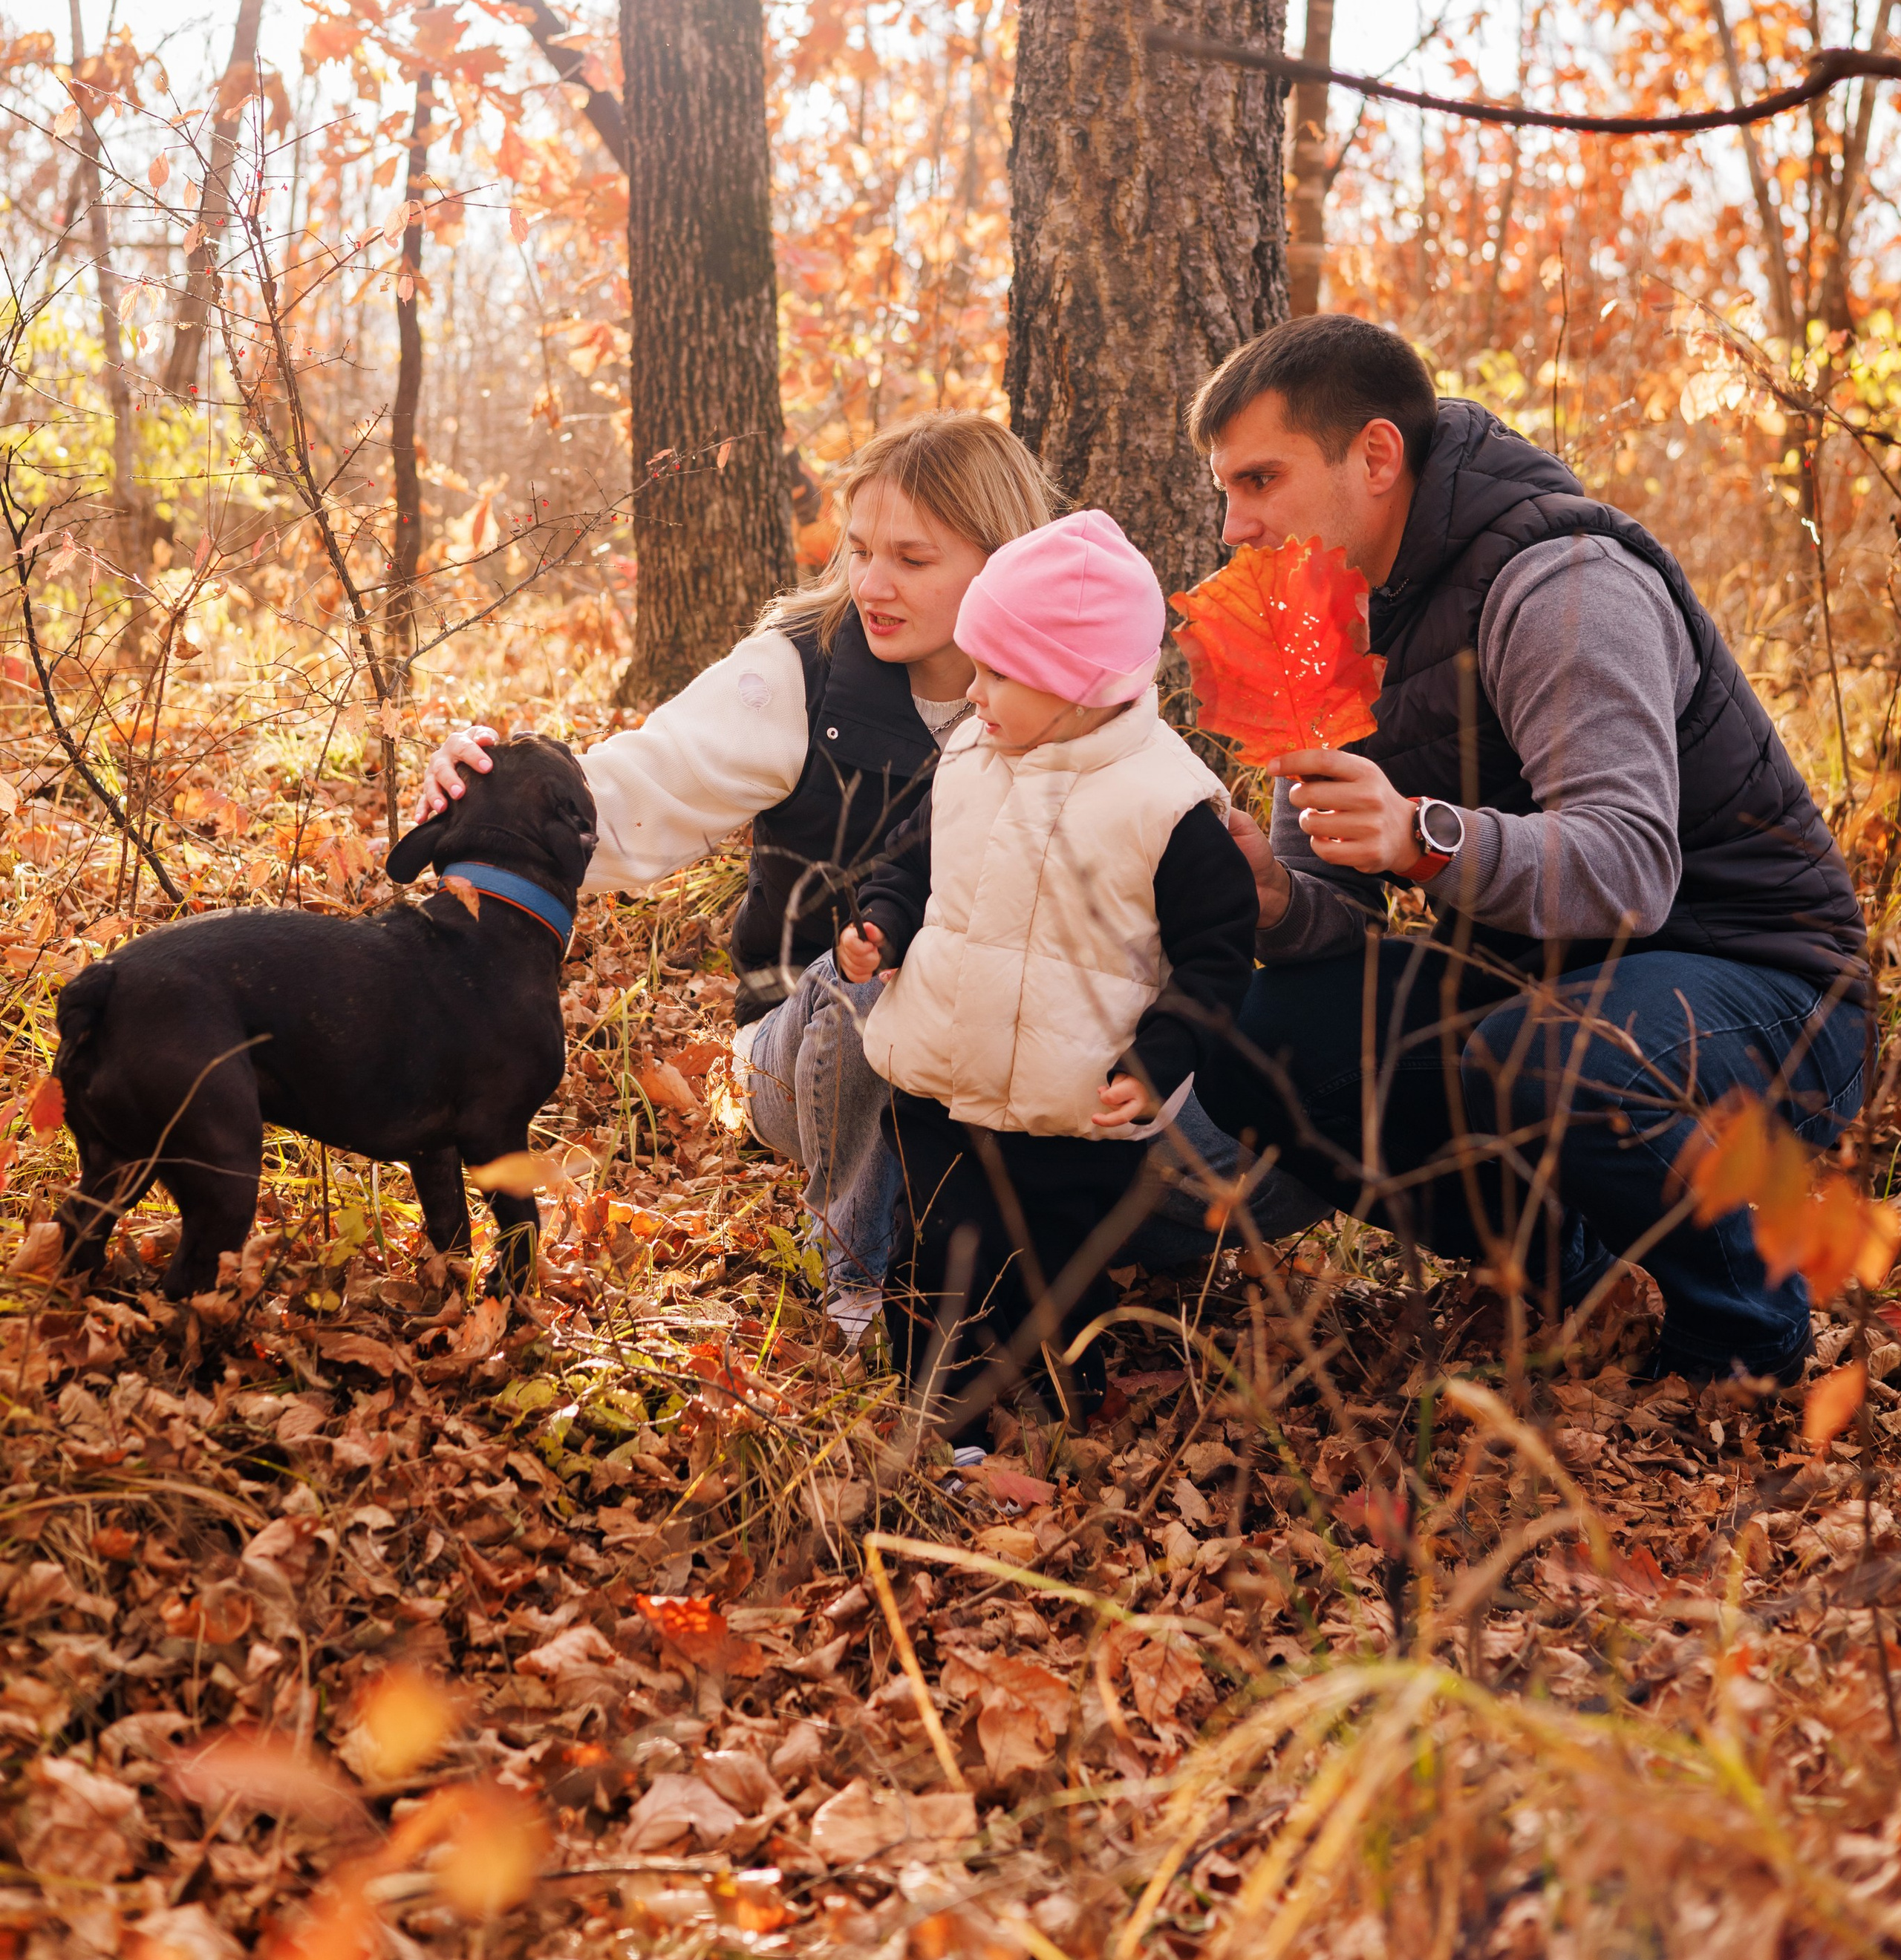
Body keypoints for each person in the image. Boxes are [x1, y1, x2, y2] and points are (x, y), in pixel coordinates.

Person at [414, 419, 1308, 1335]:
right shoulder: (800, 670)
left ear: (1003, 563)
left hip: (1018, 1058)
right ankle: (859, 1277)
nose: (871, 585)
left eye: (911, 559)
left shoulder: (1082, 697)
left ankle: (1019, 1239)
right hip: (817, 1040)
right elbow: (630, 791)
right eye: (860, 550)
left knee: (1266, 1183)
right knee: (896, 977)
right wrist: (485, 794)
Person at [1184, 314, 1869, 1386]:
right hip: (1537, 986)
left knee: (1553, 1055)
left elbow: (1629, 868)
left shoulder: (1561, 583)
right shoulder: (1313, 622)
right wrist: (1275, 895)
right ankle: (1576, 1278)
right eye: (1227, 490)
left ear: (1375, 456)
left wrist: (1422, 837)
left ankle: (1745, 1343)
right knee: (1256, 1040)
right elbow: (1335, 923)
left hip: (1763, 987)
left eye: (1261, 480)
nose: (1236, 524)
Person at [838, 509, 1260, 1441]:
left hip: (1071, 1107)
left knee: (1048, 1271)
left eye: (997, 673)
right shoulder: (972, 757)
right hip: (942, 1080)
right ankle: (938, 1424)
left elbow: (1216, 956)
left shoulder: (1165, 806)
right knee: (932, 1255)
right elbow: (911, 864)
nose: (973, 692)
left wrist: (1159, 1058)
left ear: (1079, 683)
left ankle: (1062, 1403)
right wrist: (881, 926)